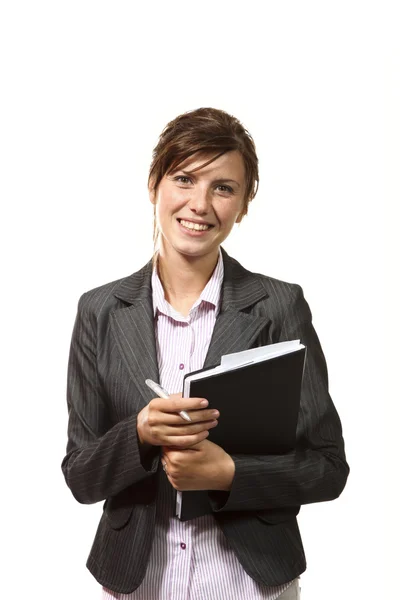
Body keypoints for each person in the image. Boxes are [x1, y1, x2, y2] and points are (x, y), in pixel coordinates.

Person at [62, 107, 349, 599]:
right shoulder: (101, 310)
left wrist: (229, 474)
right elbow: (81, 476)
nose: (200, 203)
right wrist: (139, 434)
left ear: (244, 203)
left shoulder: (279, 305)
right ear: (154, 183)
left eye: (223, 187)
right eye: (185, 178)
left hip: (251, 584)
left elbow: (327, 467)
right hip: (137, 582)